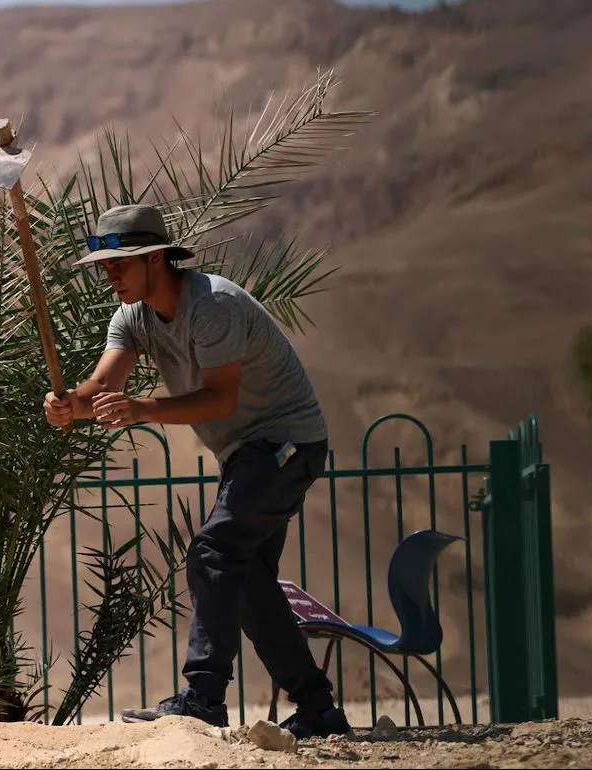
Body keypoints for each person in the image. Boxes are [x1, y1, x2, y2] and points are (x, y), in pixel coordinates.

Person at [42, 203, 351, 738]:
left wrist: (142, 409)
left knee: (214, 553)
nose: (110, 275)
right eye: (105, 266)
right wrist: (71, 405)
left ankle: (203, 698)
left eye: (122, 263)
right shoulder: (131, 317)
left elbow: (219, 400)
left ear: (157, 258)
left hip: (285, 444)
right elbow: (102, 388)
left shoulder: (213, 306)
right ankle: (319, 710)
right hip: (246, 455)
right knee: (248, 578)